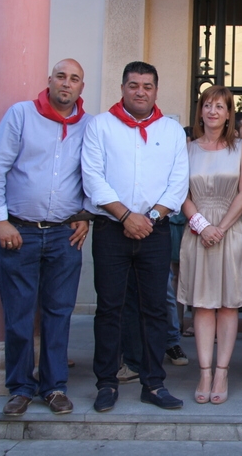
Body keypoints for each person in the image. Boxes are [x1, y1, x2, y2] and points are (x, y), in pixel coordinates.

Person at [0, 59, 91, 416]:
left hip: (64, 235)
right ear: (50, 80)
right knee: (19, 314)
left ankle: (54, 387)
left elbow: (94, 173)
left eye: (74, 79)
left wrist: (85, 216)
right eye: (61, 77)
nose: (66, 83)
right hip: (19, 232)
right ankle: (20, 388)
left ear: (81, 87)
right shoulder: (21, 115)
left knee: (59, 313)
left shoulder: (89, 125)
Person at [82, 61, 189, 412]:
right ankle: (106, 383)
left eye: (147, 86)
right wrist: (126, 216)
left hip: (154, 231)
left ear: (156, 90)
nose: (140, 91)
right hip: (111, 230)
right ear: (123, 88)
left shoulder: (171, 131)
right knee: (109, 308)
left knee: (155, 309)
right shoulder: (100, 126)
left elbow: (178, 182)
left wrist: (151, 217)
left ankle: (153, 384)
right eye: (133, 85)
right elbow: (93, 177)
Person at [177, 85, 242, 405]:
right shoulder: (187, 148)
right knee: (203, 304)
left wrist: (219, 228)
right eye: (207, 105)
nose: (212, 111)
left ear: (228, 113)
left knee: (228, 304)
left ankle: (222, 372)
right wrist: (202, 225)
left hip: (231, 231)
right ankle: (205, 372)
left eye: (220, 106)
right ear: (200, 111)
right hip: (198, 231)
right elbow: (180, 193)